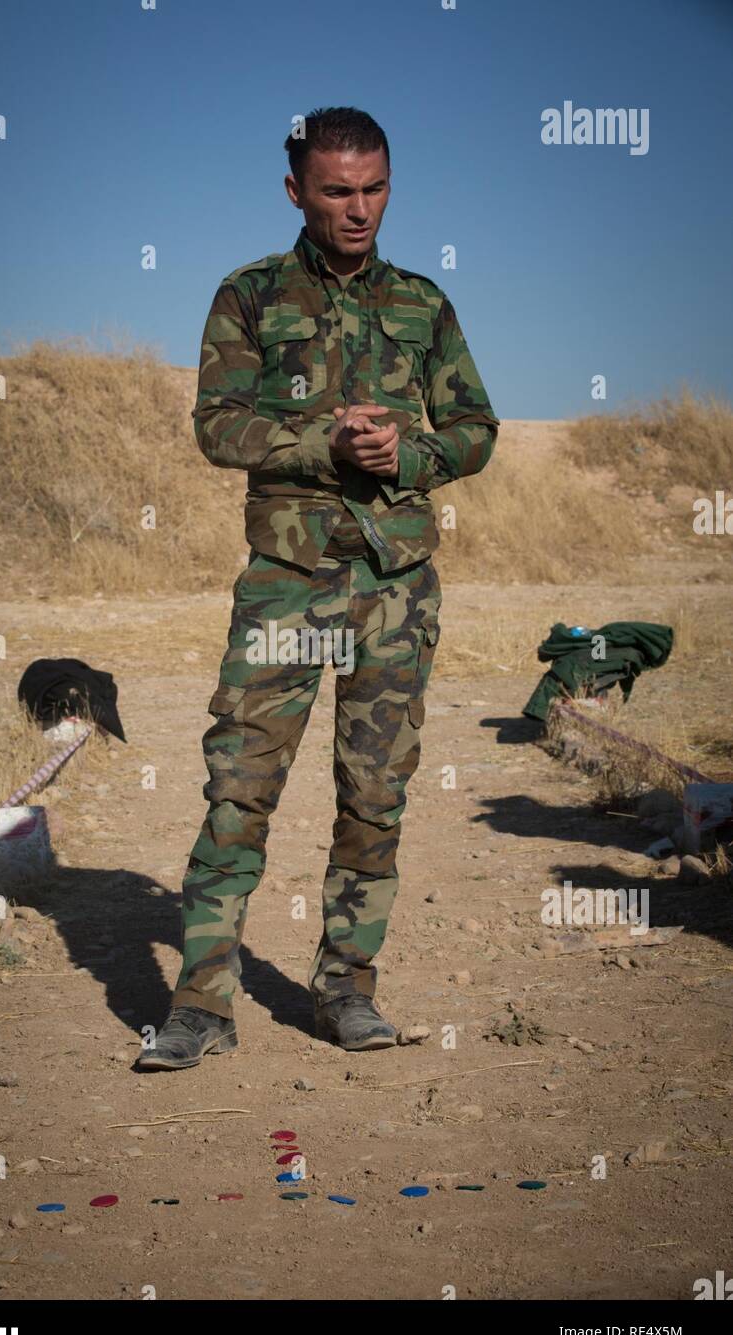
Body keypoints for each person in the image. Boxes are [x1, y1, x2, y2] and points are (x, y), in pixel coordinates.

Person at [138, 106, 499, 1070]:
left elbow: (476, 429)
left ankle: (348, 992)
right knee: (239, 792)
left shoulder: (424, 303)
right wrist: (320, 442)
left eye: (375, 188)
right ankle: (202, 1006)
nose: (359, 209)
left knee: (374, 795)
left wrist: (408, 451)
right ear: (295, 189)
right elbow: (217, 425)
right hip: (288, 586)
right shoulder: (249, 294)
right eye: (337, 190)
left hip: (394, 588)